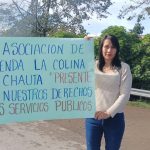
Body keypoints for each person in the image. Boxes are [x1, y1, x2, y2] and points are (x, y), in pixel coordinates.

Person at [85, 35, 132, 150]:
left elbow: (124, 95)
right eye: (106, 46)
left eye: (113, 47)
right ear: (101, 48)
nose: (109, 50)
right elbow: (75, 67)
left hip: (114, 119)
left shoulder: (124, 68)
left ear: (117, 49)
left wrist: (108, 112)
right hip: (92, 117)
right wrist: (85, 45)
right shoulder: (92, 65)